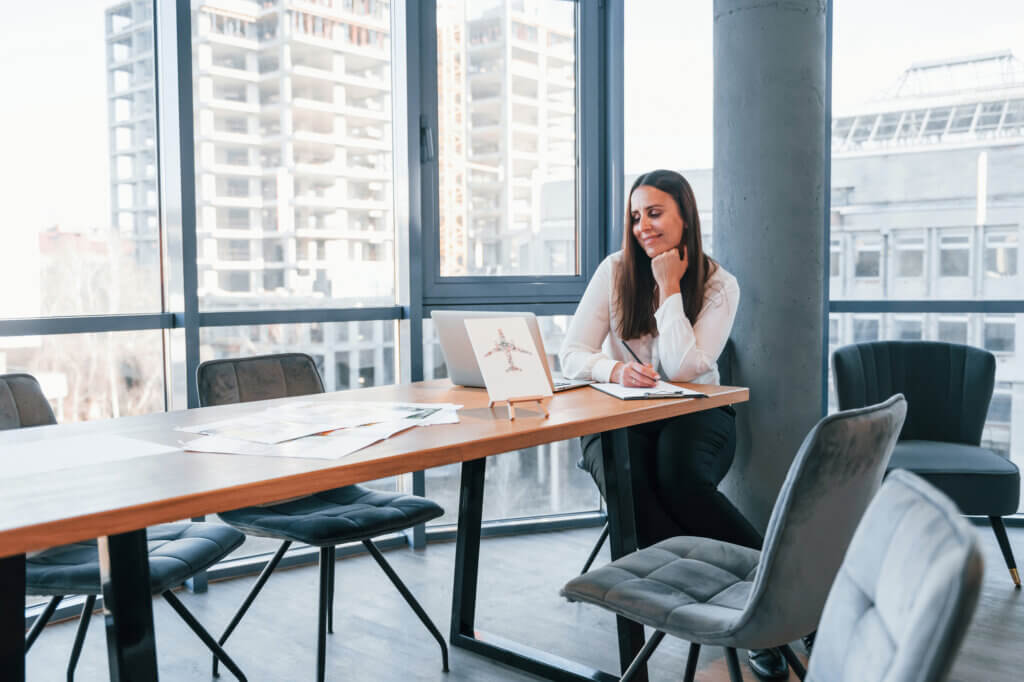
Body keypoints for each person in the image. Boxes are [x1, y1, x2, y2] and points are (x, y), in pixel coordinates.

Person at [559, 169, 789, 680]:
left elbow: (687, 368)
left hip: (696, 413)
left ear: (685, 216)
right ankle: (736, 611)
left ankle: (770, 605)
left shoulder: (718, 284)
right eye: (636, 215)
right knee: (631, 488)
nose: (643, 225)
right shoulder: (613, 271)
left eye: (656, 212)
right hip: (618, 414)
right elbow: (571, 352)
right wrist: (614, 368)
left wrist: (668, 288)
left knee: (680, 480)